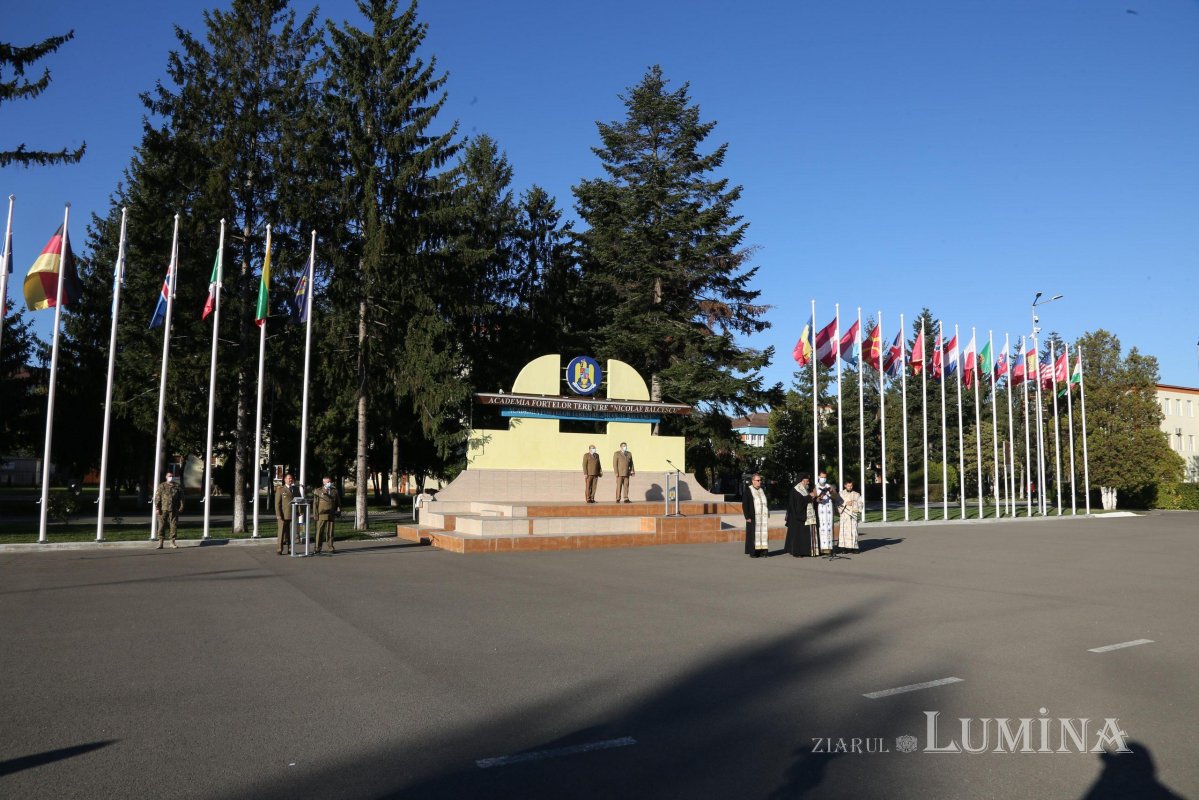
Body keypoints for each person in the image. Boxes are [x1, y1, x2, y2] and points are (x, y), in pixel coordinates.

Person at [784, 473, 817, 557]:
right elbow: (799, 503)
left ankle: (805, 551)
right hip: (797, 516)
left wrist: (812, 497)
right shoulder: (796, 490)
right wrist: (809, 497)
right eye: (807, 480)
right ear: (802, 480)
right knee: (798, 535)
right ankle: (797, 552)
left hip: (803, 515)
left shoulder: (804, 489)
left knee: (803, 535)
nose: (808, 482)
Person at [153, 471, 184, 549]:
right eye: (169, 476)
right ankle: (160, 542)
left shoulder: (177, 486)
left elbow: (181, 498)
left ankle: (172, 542)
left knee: (173, 526)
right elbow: (157, 497)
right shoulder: (162, 486)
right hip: (163, 509)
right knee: (161, 526)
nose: (171, 477)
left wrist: (181, 506)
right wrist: (157, 508)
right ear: (166, 477)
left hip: (174, 509)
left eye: (172, 476)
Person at [742, 473, 770, 558]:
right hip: (753, 517)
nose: (759, 482)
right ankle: (753, 552)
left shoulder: (761, 490)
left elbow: (765, 503)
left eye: (760, 480)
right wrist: (747, 516)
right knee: (753, 535)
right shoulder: (748, 490)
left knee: (762, 534)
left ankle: (763, 552)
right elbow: (745, 504)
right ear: (753, 481)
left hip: (762, 517)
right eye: (757, 480)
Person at [274, 473, 302, 555]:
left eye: (291, 478)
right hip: (283, 515)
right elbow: (277, 504)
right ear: (285, 479)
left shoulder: (295, 489)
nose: (290, 480)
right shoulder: (280, 489)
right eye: (289, 478)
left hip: (293, 514)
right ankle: (279, 549)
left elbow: (299, 500)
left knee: (291, 533)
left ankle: (291, 549)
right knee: (281, 533)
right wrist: (278, 515)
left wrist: (300, 511)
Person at [814, 470, 841, 555]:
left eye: (825, 477)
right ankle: (822, 548)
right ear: (819, 477)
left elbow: (836, 497)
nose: (823, 479)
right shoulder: (816, 487)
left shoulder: (829, 486)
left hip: (829, 509)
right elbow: (815, 500)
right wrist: (820, 498)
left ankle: (829, 548)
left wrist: (832, 492)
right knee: (822, 527)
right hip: (821, 508)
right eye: (822, 477)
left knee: (829, 527)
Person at [313, 477, 340, 554]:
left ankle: (330, 547)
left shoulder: (334, 491)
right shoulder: (318, 491)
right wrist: (315, 515)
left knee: (330, 532)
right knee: (319, 532)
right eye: (328, 482)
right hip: (321, 514)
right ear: (324, 482)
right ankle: (317, 548)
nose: (329, 483)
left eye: (330, 481)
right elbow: (315, 504)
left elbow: (338, 502)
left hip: (331, 514)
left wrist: (338, 511)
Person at [838, 480, 863, 553]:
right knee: (844, 532)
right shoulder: (841, 494)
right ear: (845, 485)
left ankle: (854, 547)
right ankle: (844, 548)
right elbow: (837, 503)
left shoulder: (856, 494)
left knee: (853, 531)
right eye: (848, 486)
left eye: (851, 486)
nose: (850, 487)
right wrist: (845, 503)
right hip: (845, 515)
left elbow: (861, 503)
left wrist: (854, 503)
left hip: (853, 515)